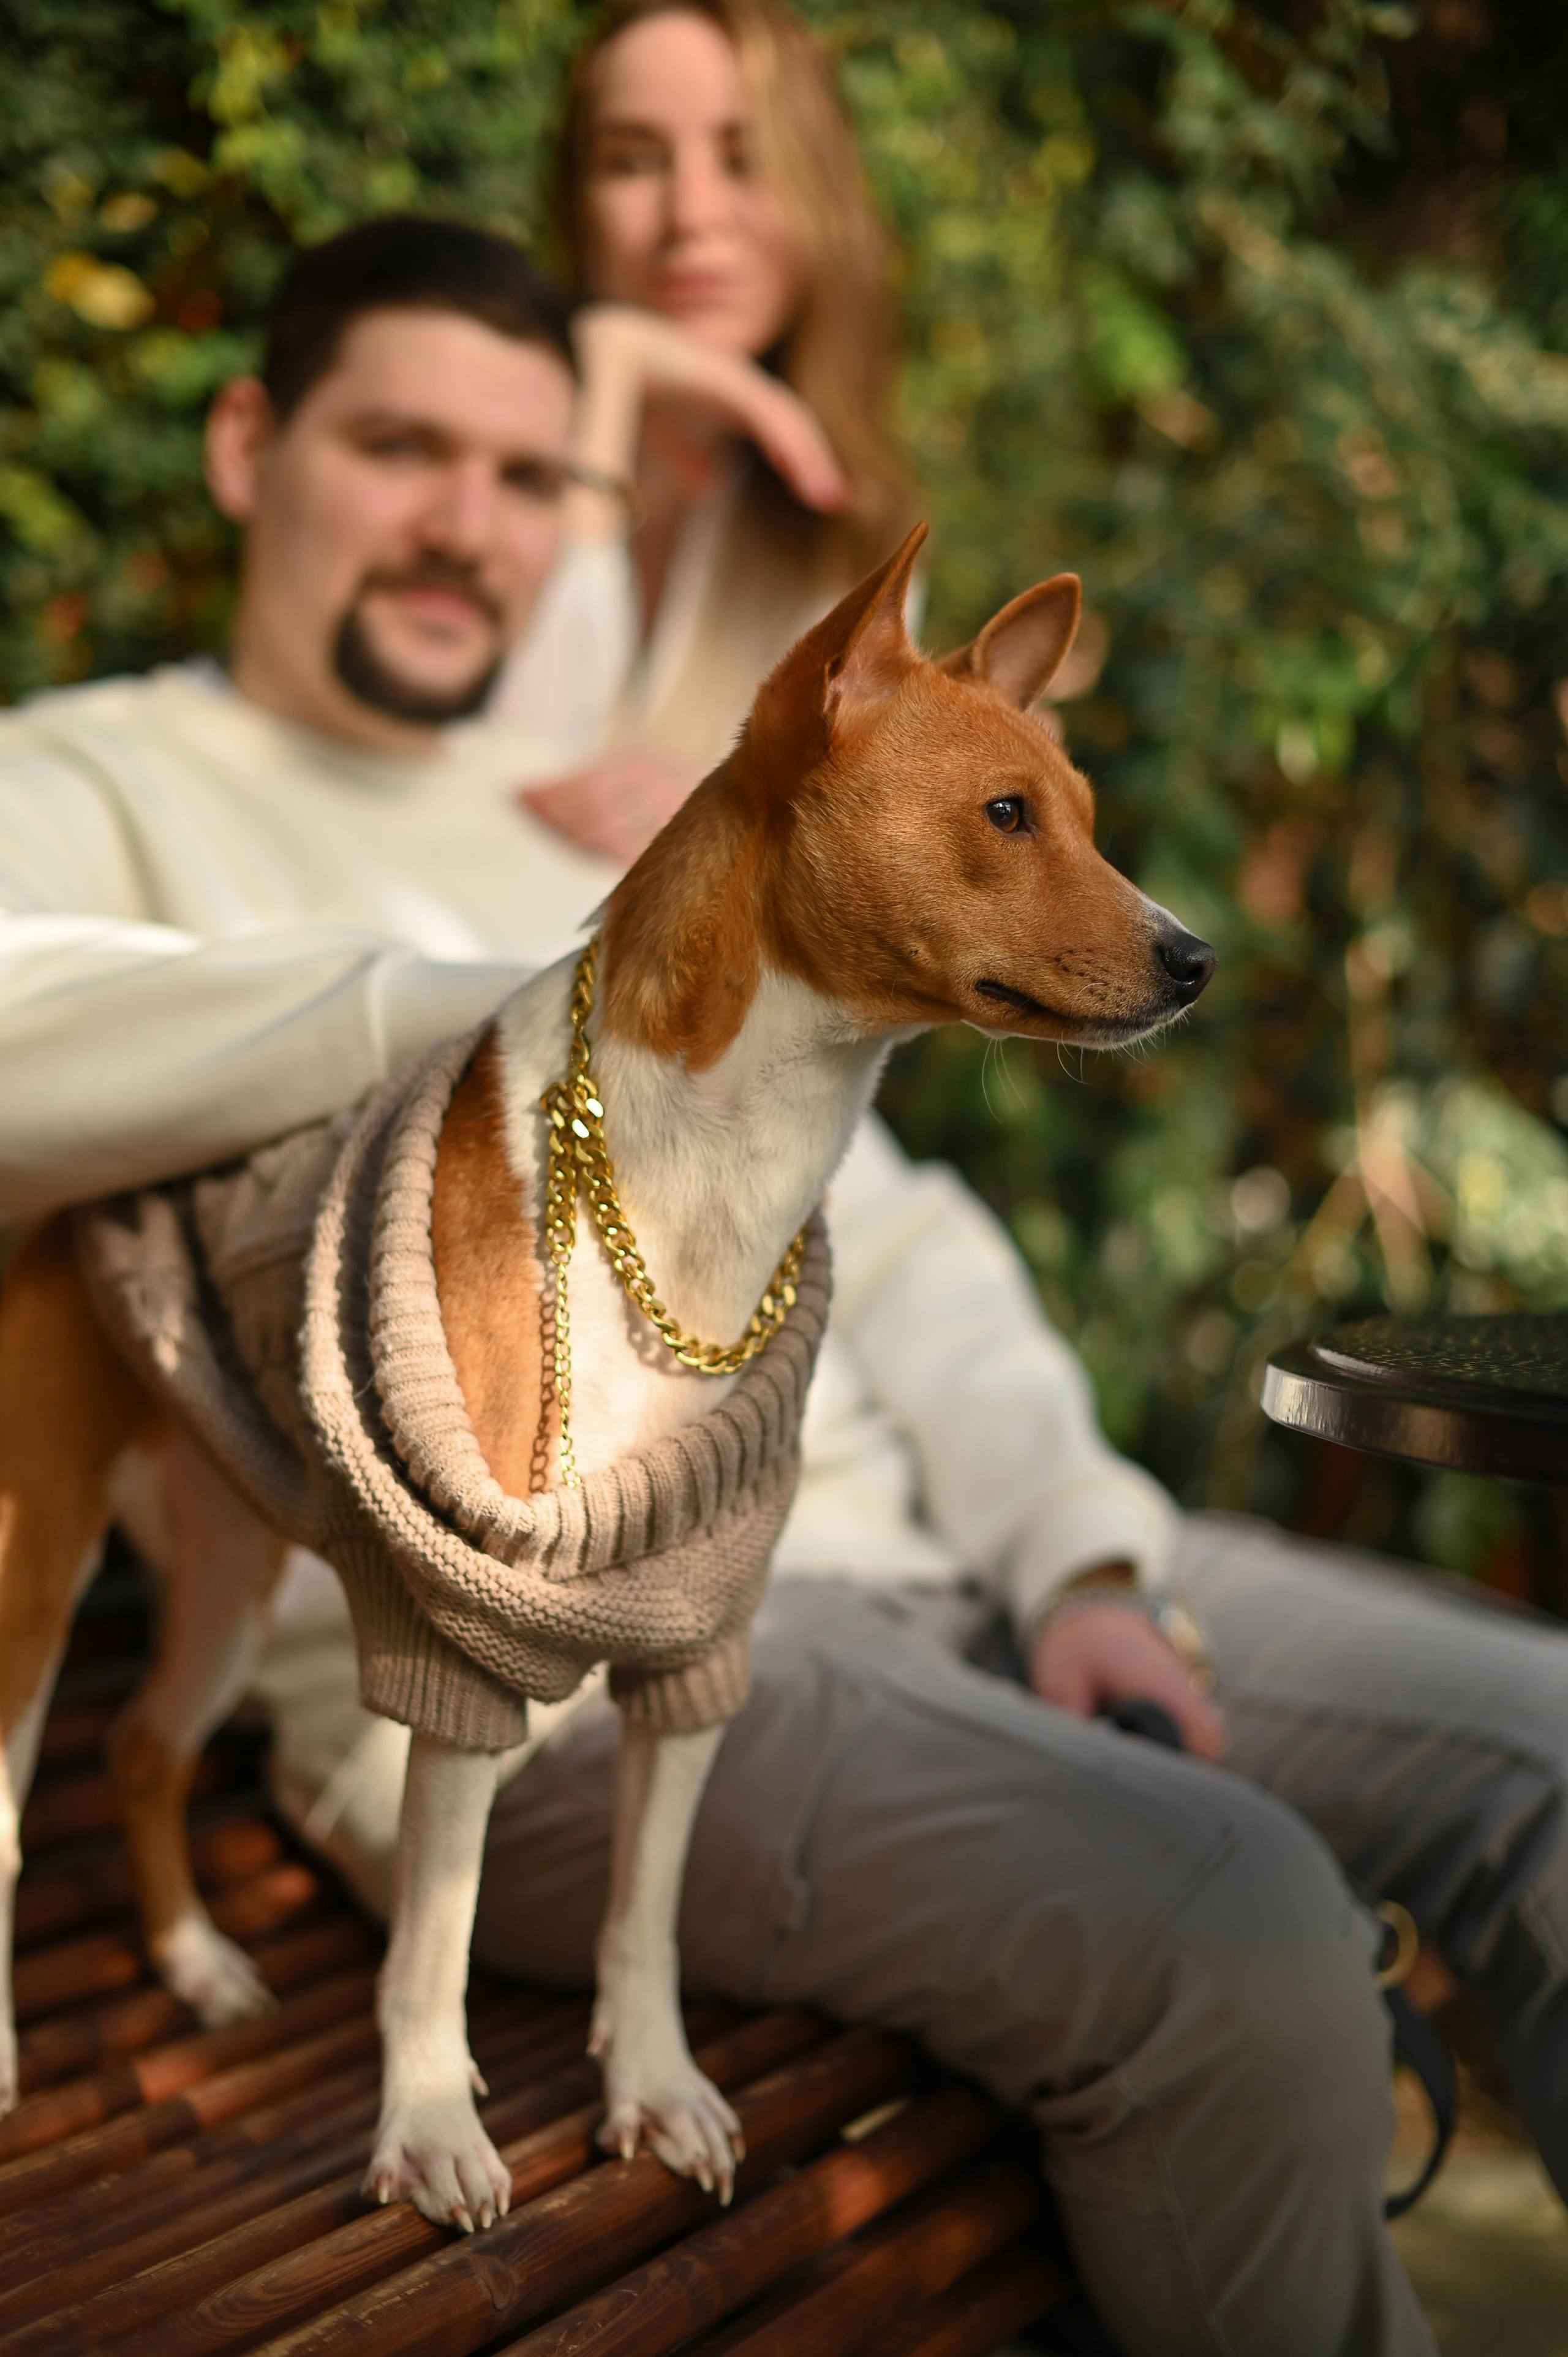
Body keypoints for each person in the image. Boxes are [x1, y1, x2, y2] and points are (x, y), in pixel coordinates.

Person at [3, 221, 1566, 2357]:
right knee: (1243, 1932)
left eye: (537, 475)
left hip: (917, 1544)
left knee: (1547, 1742)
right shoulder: (84, 778)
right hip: (535, 1655)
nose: (468, 519)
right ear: (246, 438)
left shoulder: (634, 803)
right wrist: (555, 1024)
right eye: (396, 444)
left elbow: (900, 1232)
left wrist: (1083, 1548)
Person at [495, 0, 916, 865]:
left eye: (744, 158)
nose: (692, 214)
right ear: (577, 210)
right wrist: (609, 374)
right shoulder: (470, 439)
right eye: (632, 160)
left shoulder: (852, 534)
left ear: (820, 196)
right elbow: (514, 759)